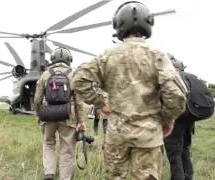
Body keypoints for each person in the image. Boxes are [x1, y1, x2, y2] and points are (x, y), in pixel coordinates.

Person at [72, 1, 187, 179]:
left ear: (118, 25)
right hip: (148, 136)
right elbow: (176, 94)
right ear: (148, 24)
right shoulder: (157, 56)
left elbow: (79, 80)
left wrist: (101, 103)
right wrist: (167, 120)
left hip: (117, 135)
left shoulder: (108, 56)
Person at [34, 47, 85, 180]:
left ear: (53, 59)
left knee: (48, 143)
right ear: (69, 60)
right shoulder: (74, 74)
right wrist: (81, 121)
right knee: (67, 149)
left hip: (48, 115)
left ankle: (49, 173)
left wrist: (38, 114)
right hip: (68, 116)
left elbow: (37, 99)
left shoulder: (46, 74)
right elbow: (79, 101)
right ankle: (65, 178)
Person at [164, 54, 194, 180]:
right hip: (189, 121)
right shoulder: (186, 78)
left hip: (176, 121)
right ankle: (188, 177)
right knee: (184, 150)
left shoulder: (172, 79)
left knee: (174, 155)